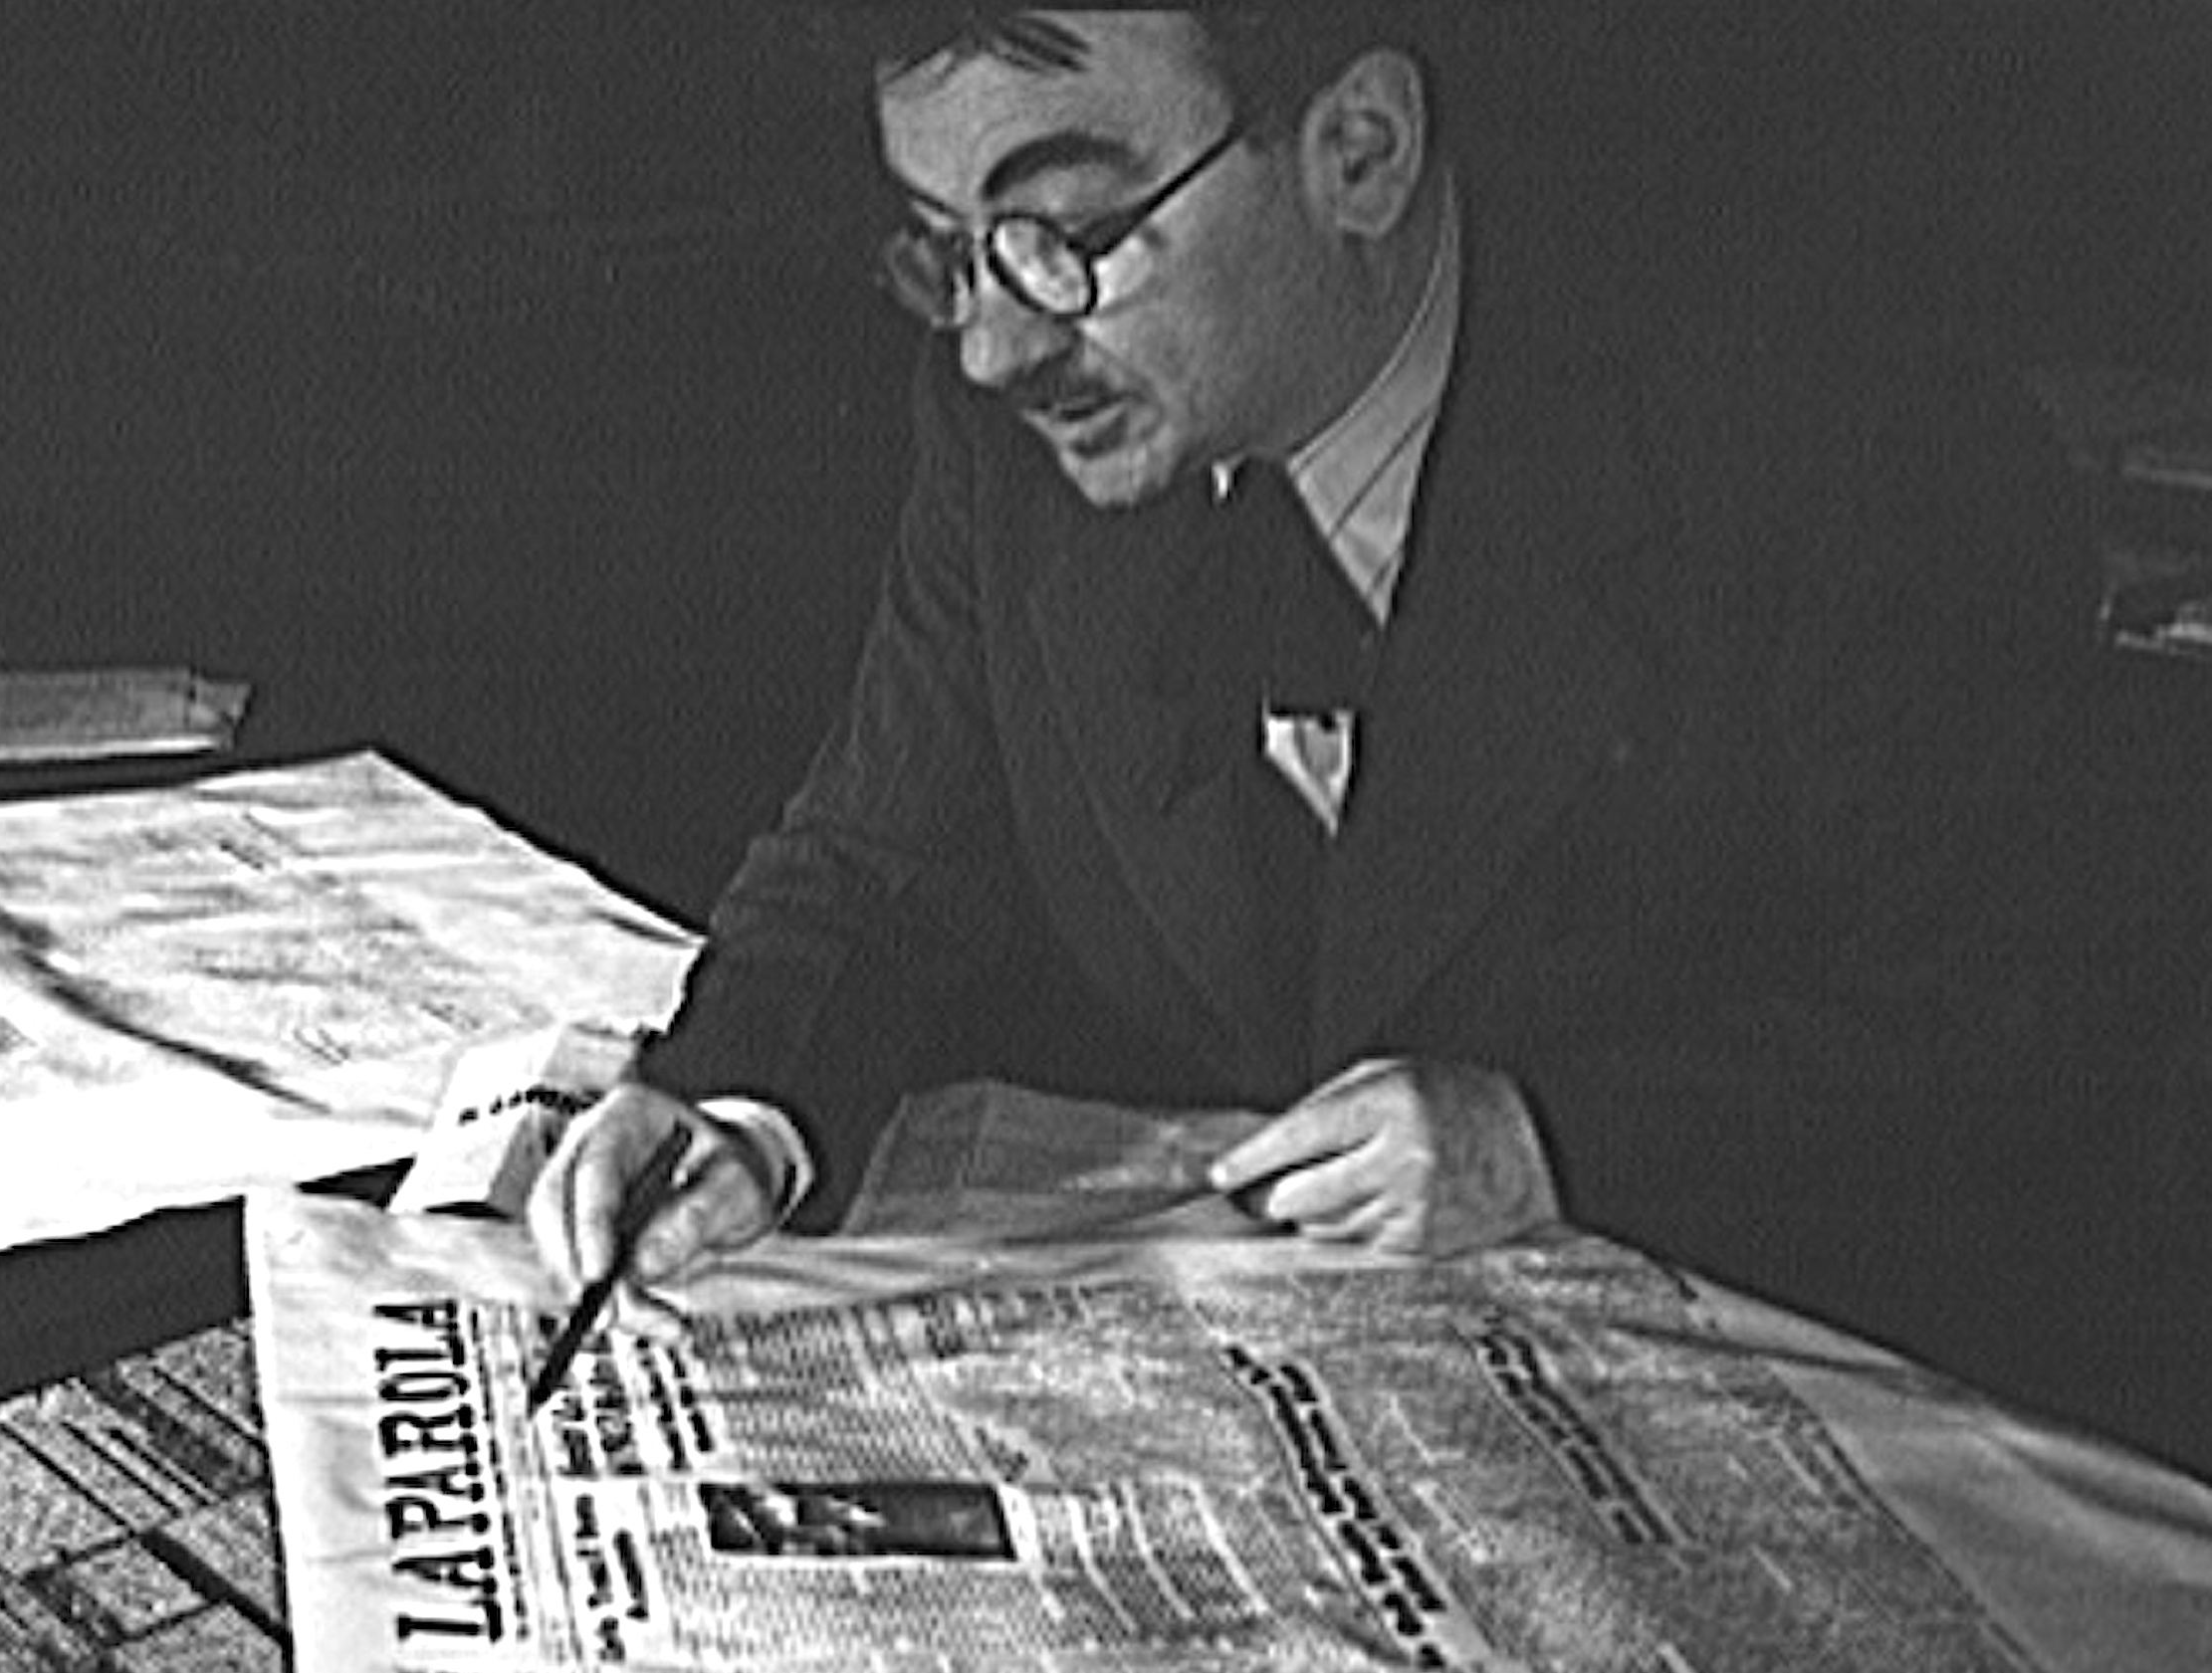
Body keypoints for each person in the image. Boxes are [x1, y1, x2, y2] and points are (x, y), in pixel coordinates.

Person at [528, 1, 2119, 1337]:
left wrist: (1555, 1145)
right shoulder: (1016, 432)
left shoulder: (1842, 440)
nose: (993, 349)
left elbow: (2030, 1047)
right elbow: (881, 854)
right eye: (947, 250)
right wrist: (741, 1101)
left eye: (1068, 236)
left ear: (1360, 151)